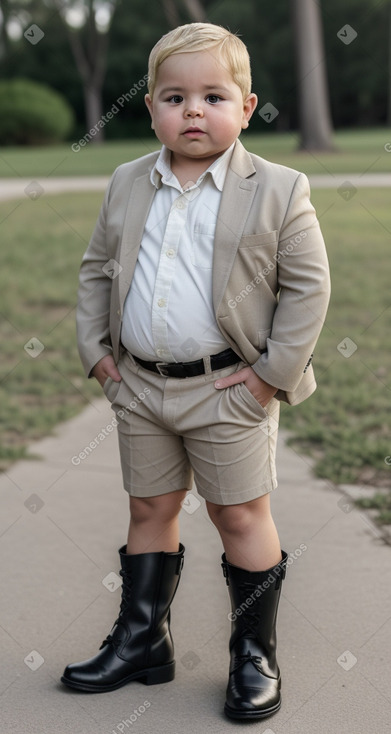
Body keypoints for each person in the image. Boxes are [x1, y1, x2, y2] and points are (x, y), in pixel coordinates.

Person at [61, 22, 330, 721]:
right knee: (149, 508)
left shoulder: (277, 187)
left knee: (237, 513)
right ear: (150, 107)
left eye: (213, 96)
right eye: (174, 96)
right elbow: (96, 270)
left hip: (229, 387)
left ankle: (254, 654)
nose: (192, 110)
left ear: (245, 107)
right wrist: (98, 355)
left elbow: (308, 289)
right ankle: (142, 639)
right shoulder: (127, 182)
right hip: (140, 385)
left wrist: (269, 377)